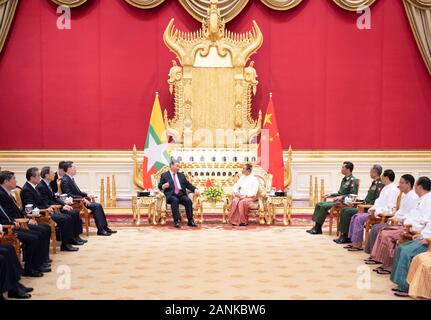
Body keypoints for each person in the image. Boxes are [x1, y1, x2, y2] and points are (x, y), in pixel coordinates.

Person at [370, 177, 431, 274]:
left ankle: (388, 265)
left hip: (415, 230)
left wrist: (407, 224)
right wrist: (403, 220)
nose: (400, 185)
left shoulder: (425, 199)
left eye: (402, 182)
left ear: (419, 187)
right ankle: (383, 262)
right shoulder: (421, 198)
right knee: (383, 231)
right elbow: (411, 214)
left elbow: (423, 220)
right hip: (408, 226)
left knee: (387, 235)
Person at [0, 171, 51, 277]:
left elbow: (15, 211)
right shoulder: (1, 194)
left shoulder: (7, 192)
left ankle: (38, 262)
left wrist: (26, 217)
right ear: (6, 181)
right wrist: (17, 221)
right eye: (14, 178)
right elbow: (5, 216)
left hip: (16, 222)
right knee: (34, 237)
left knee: (44, 229)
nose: (16, 181)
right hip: (9, 227)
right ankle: (30, 268)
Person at [20, 167, 79, 252]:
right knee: (65, 218)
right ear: (32, 177)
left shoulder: (33, 186)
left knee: (68, 216)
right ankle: (65, 244)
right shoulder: (27, 189)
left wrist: (49, 207)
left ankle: (68, 241)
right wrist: (46, 208)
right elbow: (31, 207)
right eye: (38, 176)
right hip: (40, 214)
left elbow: (43, 201)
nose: (40, 177)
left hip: (46, 210)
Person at [364, 174, 418, 255]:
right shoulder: (406, 196)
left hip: (402, 224)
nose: (399, 185)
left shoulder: (413, 197)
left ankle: (377, 256)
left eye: (402, 183)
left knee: (380, 230)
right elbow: (400, 212)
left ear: (409, 184)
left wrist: (398, 220)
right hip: (396, 220)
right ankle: (373, 254)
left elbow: (410, 215)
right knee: (376, 228)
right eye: (399, 182)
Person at [346, 169, 399, 251]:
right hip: (376, 211)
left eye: (382, 176)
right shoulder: (385, 188)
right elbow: (378, 202)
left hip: (382, 214)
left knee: (359, 218)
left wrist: (376, 211)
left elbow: (391, 206)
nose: (381, 178)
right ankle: (354, 242)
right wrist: (372, 208)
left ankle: (357, 244)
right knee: (355, 216)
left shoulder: (393, 189)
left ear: (386, 177)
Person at [61, 161, 116, 236]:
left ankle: (104, 228)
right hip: (76, 203)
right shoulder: (65, 180)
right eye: (74, 167)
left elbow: (78, 192)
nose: (76, 169)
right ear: (68, 169)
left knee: (98, 205)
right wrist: (82, 199)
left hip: (80, 201)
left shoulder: (70, 178)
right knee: (96, 206)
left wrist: (87, 195)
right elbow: (69, 195)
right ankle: (101, 230)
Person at [37, 166, 86, 246]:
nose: (54, 174)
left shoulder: (47, 184)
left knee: (74, 213)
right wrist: (61, 206)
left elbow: (55, 197)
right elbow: (46, 202)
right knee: (67, 217)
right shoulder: (41, 186)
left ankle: (75, 237)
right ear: (46, 175)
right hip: (50, 210)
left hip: (55, 207)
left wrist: (64, 205)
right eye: (52, 173)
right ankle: (66, 243)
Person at [335, 165, 384, 244]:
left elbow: (377, 200)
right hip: (364, 205)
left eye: (371, 172)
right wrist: (360, 202)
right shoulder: (375, 182)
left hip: (368, 208)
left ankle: (346, 236)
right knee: (345, 209)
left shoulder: (380, 184)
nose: (370, 173)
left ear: (375, 173)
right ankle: (345, 235)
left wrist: (366, 205)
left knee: (347, 211)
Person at [307, 161, 359, 235]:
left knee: (324, 206)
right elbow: (340, 193)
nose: (341, 169)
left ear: (348, 169)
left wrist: (342, 197)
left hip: (344, 202)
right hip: (338, 200)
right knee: (319, 204)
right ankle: (317, 226)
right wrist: (331, 194)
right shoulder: (344, 179)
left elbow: (353, 195)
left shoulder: (353, 180)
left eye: (343, 167)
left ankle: (318, 228)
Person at [158, 159, 199, 228]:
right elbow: (159, 186)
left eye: (179, 166)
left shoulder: (181, 175)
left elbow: (188, 185)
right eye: (177, 166)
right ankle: (176, 221)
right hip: (171, 195)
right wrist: (163, 186)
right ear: (171, 166)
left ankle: (190, 220)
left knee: (188, 200)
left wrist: (195, 189)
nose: (178, 168)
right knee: (175, 200)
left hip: (181, 194)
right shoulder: (164, 175)